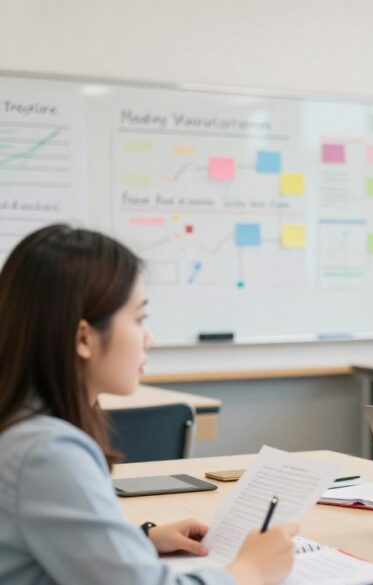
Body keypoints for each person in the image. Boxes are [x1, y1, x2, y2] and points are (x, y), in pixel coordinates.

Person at [0, 225, 298, 585]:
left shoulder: (24, 426)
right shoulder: (46, 452)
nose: (149, 337)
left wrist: (139, 541)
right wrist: (250, 571)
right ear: (83, 337)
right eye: (139, 319)